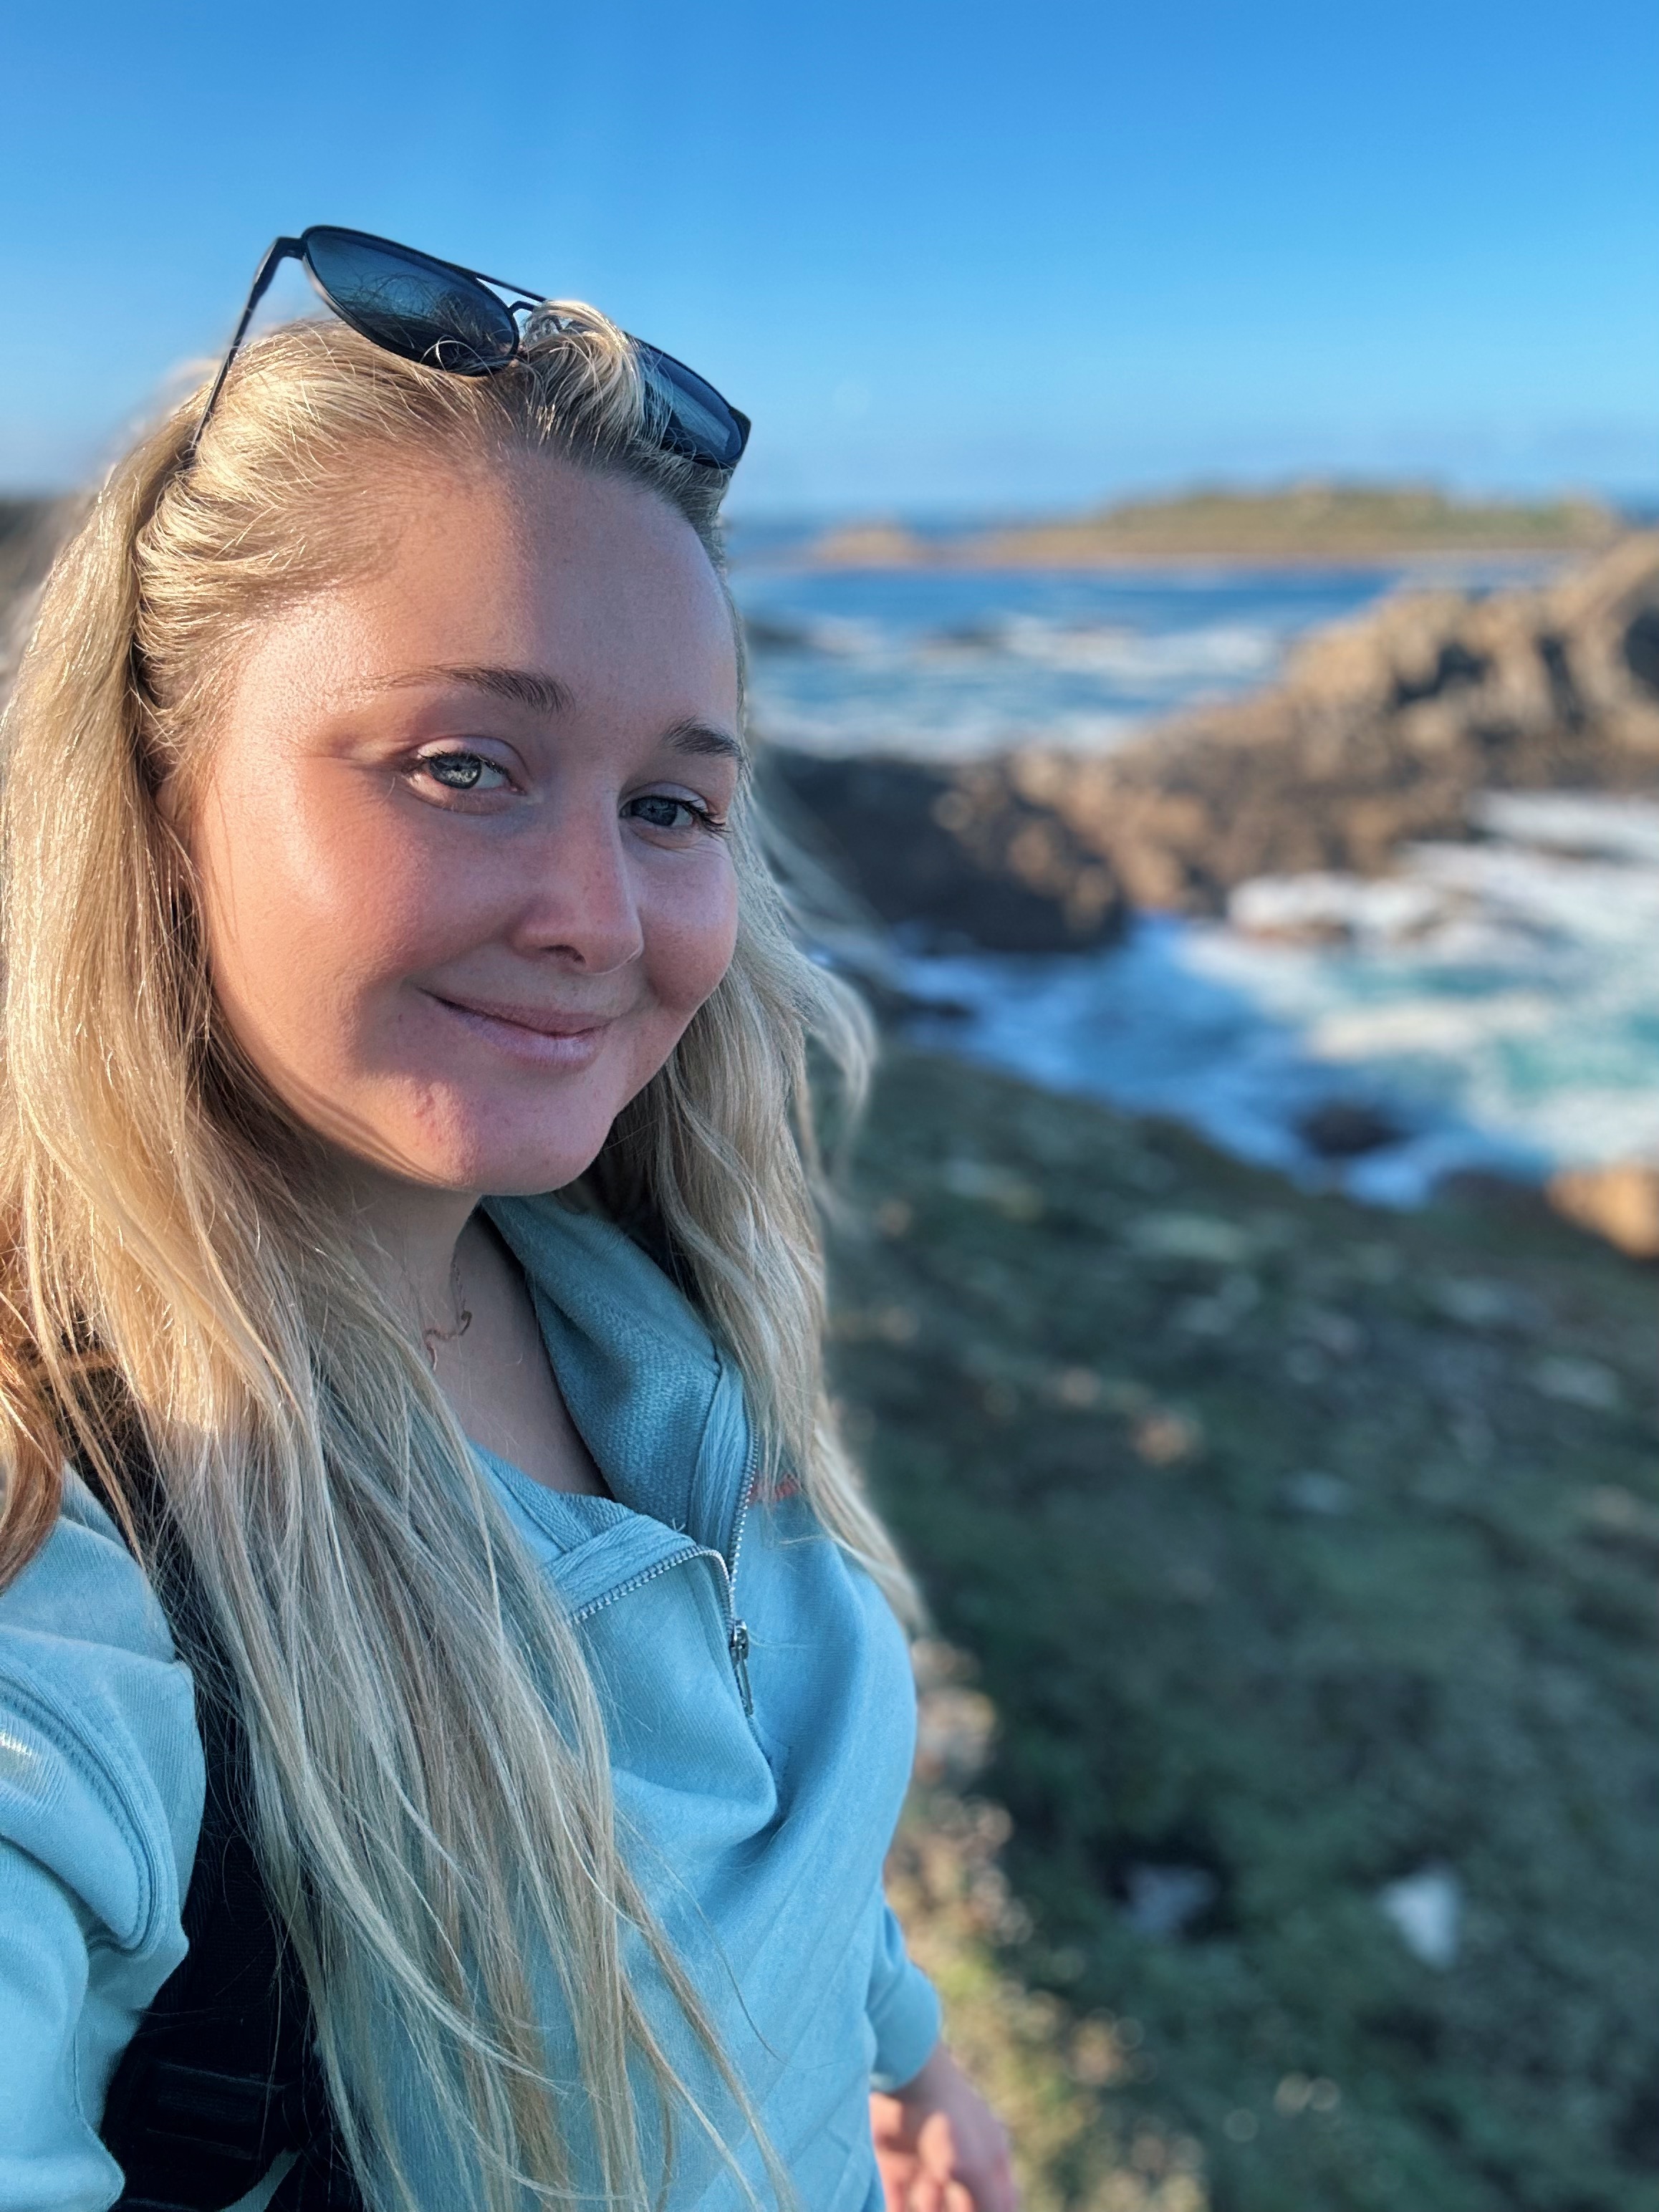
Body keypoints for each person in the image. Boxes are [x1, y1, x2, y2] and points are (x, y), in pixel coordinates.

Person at [0, 230, 1017, 2212]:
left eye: (669, 806)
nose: (599, 918)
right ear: (154, 796)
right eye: (463, 765)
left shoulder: (640, 1300)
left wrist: (905, 2047)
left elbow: (757, 1795)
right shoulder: (81, 1556)